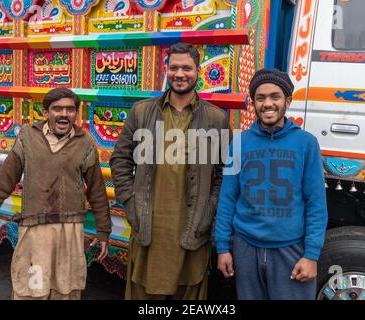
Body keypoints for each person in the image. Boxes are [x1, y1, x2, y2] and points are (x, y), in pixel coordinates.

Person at [0, 88, 111, 300]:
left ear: (77, 114)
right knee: (31, 290)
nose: (64, 114)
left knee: (66, 290)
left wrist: (103, 230)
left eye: (70, 109)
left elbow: (97, 190)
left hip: (69, 229)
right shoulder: (28, 137)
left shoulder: (85, 143)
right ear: (45, 112)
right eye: (57, 109)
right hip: (34, 228)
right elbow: (4, 182)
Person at [110, 42, 231, 300]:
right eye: (174, 67)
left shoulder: (216, 118)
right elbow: (120, 160)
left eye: (186, 68)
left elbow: (224, 172)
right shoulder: (142, 112)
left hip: (193, 229)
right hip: (148, 226)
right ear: (165, 70)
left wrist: (210, 208)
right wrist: (130, 203)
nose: (179, 73)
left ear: (198, 71)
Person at [215, 68, 328, 300]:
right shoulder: (239, 143)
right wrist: (223, 248)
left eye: (275, 96)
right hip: (246, 248)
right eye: (260, 98)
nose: (267, 103)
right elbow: (227, 200)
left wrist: (311, 255)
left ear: (288, 100)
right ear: (253, 103)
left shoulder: (306, 144)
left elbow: (316, 203)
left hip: (291, 250)